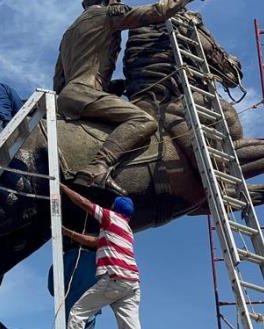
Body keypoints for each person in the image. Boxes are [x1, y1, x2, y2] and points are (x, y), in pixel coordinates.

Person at [54, 0, 191, 196]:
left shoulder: (68, 34)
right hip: (85, 92)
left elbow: (59, 81)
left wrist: (107, 87)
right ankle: (98, 167)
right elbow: (158, 12)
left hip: (69, 96)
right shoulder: (105, 15)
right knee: (143, 120)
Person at [59, 183, 142, 329]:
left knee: (78, 311)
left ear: (114, 208)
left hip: (114, 277)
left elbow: (85, 203)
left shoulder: (110, 218)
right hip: (132, 283)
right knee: (130, 324)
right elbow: (96, 242)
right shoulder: (127, 230)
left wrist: (61, 186)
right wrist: (69, 233)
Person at [46, 248, 100, 329]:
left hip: (69, 307)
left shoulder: (64, 259)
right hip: (91, 308)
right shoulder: (97, 259)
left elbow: (52, 287)